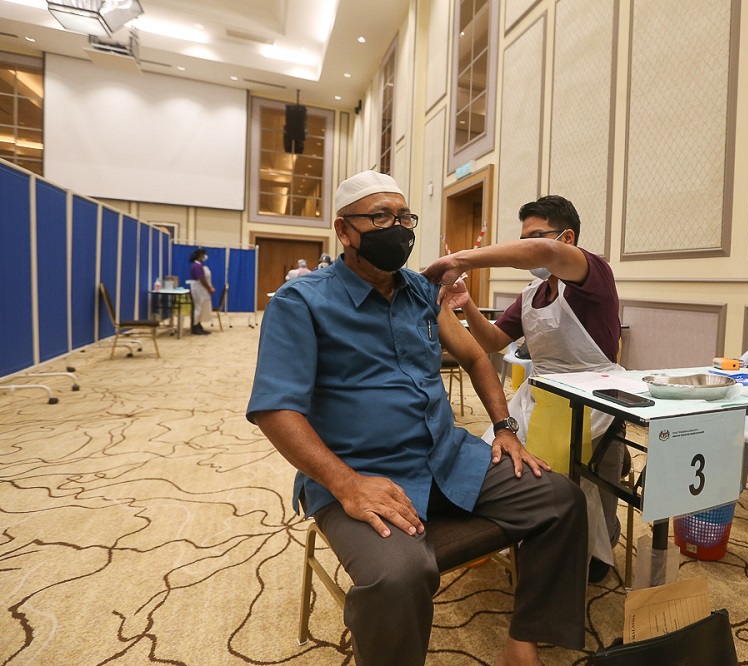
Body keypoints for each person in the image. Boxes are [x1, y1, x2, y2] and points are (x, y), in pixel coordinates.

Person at [247, 171, 587, 666]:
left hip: (448, 456)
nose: (399, 227)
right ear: (344, 231)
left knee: (560, 498)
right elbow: (276, 410)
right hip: (362, 473)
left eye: (405, 216)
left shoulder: (421, 292)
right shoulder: (301, 303)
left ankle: (523, 642)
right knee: (399, 574)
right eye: (381, 216)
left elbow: (475, 357)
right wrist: (347, 484)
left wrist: (505, 429)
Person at [421, 194, 625, 583]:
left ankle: (590, 545)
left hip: (592, 395)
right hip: (539, 395)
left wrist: (460, 259)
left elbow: (542, 251)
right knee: (492, 458)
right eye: (523, 237)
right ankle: (513, 530)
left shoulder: (592, 272)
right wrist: (466, 305)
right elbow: (494, 342)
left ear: (567, 239)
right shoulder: (531, 295)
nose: (526, 247)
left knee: (571, 478)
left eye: (535, 236)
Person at [188, 247, 215, 335]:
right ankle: (195, 327)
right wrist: (209, 288)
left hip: (201, 289)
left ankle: (198, 325)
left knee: (200, 308)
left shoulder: (200, 265)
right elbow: (202, 279)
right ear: (201, 256)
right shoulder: (197, 266)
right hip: (199, 289)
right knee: (198, 308)